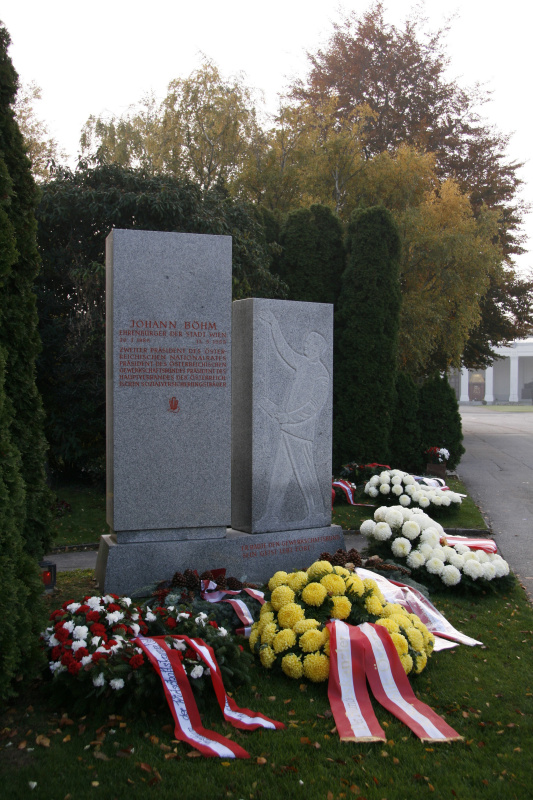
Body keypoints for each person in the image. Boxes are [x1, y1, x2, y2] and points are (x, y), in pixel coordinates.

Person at [257, 309, 330, 528]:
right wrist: (273, 325)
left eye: (309, 343)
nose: (305, 346)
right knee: (279, 475)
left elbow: (313, 407)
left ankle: (317, 513)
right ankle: (271, 515)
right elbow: (284, 351)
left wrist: (288, 418)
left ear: (318, 348)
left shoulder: (321, 374)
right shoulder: (303, 363)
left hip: (300, 433)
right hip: (288, 431)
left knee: (306, 475)